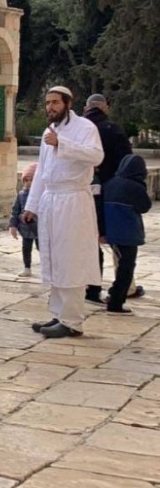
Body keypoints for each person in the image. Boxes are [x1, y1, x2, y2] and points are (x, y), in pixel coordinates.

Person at [23, 86, 104, 339]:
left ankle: (72, 320)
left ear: (68, 103)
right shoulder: (49, 132)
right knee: (53, 257)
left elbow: (96, 156)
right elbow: (42, 171)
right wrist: (31, 206)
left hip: (73, 201)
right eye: (48, 103)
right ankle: (59, 313)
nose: (50, 107)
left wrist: (63, 144)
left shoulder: (85, 128)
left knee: (71, 259)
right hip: (51, 200)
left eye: (55, 102)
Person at [83, 93, 136, 303]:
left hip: (80, 191)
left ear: (86, 108)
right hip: (111, 192)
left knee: (90, 240)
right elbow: (126, 163)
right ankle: (124, 288)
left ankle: (92, 288)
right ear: (105, 108)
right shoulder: (113, 130)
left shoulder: (77, 129)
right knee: (119, 243)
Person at [102, 154, 151, 315]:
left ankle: (114, 294)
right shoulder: (136, 187)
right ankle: (116, 302)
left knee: (122, 265)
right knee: (127, 268)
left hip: (111, 232)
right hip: (128, 234)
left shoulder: (109, 183)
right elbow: (145, 206)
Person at [9, 163, 39, 276]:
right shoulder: (21, 194)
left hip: (38, 228)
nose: (29, 183)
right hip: (25, 229)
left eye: (31, 180)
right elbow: (15, 210)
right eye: (26, 180)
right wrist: (13, 225)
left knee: (43, 248)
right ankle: (27, 268)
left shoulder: (41, 194)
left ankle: (47, 268)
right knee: (26, 249)